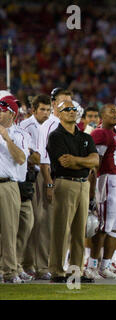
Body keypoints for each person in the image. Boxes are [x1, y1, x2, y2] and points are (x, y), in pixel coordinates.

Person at [46, 100, 99, 283]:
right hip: (65, 183)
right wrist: (85, 161)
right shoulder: (55, 136)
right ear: (59, 114)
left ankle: (76, 271)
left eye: (73, 109)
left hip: (84, 184)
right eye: (66, 109)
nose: (71, 111)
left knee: (79, 232)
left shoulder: (86, 137)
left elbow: (95, 161)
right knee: (62, 229)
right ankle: (57, 271)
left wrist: (77, 160)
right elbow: (63, 162)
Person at [29, 88, 72, 280]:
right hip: (49, 176)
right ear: (55, 104)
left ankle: (57, 264)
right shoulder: (49, 125)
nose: (67, 106)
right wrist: (48, 183)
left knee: (63, 224)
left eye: (69, 102)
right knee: (45, 222)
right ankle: (42, 266)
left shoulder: (69, 124)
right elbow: (43, 158)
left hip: (66, 178)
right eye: (63, 102)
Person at [84, 104, 116, 280]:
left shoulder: (115, 133)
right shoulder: (100, 133)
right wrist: (92, 192)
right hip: (107, 179)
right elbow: (95, 165)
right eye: (111, 112)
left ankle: (106, 266)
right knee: (102, 226)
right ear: (102, 116)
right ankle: (92, 266)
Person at [19, 95, 51, 279]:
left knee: (43, 222)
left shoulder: (50, 124)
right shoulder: (25, 127)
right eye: (42, 110)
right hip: (31, 176)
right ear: (33, 109)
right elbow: (33, 157)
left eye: (48, 110)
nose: (46, 114)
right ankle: (27, 263)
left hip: (46, 173)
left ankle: (40, 265)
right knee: (31, 221)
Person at [0, 95, 29, 283]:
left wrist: (7, 139)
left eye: (2, 110)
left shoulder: (20, 135)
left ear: (11, 114)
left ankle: (10, 271)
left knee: (10, 230)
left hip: (8, 184)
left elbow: (20, 158)